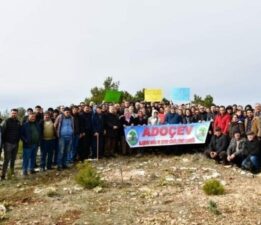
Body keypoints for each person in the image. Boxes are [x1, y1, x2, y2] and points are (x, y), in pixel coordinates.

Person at [1, 109, 21, 180]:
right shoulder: (6, 121)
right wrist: (3, 144)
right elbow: (2, 133)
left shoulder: (18, 122)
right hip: (8, 144)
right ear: (10, 113)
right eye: (12, 113)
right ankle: (3, 175)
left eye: (15, 113)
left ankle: (11, 173)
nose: (14, 114)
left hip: (16, 144)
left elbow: (19, 132)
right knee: (6, 160)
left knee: (13, 160)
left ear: (17, 114)